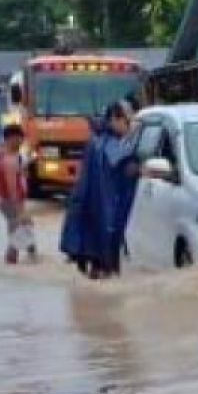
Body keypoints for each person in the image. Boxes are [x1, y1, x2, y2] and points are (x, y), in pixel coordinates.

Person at [59, 101, 137, 279]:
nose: (129, 127)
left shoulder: (96, 140)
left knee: (95, 268)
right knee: (104, 268)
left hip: (88, 215)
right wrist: (139, 168)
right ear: (115, 119)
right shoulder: (107, 143)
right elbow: (122, 164)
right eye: (127, 122)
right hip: (102, 218)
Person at [0, 124, 36, 265]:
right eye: (19, 139)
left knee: (22, 226)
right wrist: (17, 206)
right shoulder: (8, 160)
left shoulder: (1, 155)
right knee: (20, 229)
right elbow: (11, 186)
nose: (21, 142)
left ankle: (31, 253)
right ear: (11, 139)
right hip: (12, 200)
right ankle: (15, 259)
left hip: (7, 200)